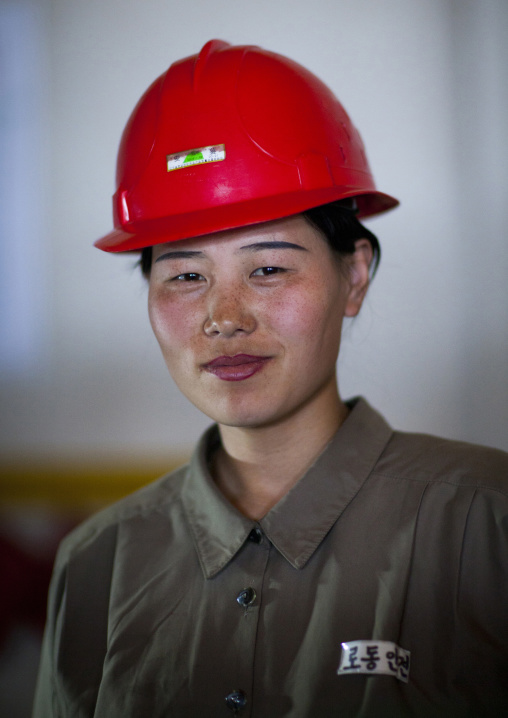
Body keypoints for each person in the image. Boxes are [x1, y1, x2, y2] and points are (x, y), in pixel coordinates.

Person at [33, 40, 508, 718]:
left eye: (268, 268)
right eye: (186, 276)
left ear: (355, 274)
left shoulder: (486, 521)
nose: (223, 319)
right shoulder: (97, 565)